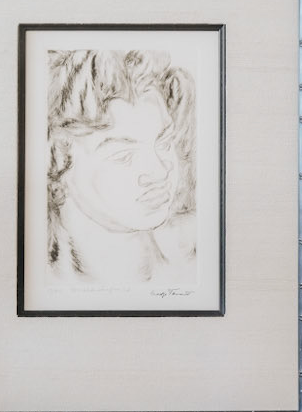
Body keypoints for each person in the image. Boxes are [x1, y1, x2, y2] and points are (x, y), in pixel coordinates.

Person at [45, 48, 198, 294]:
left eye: (164, 143)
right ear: (56, 158)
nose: (160, 172)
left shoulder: (195, 254)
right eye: (123, 156)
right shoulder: (44, 278)